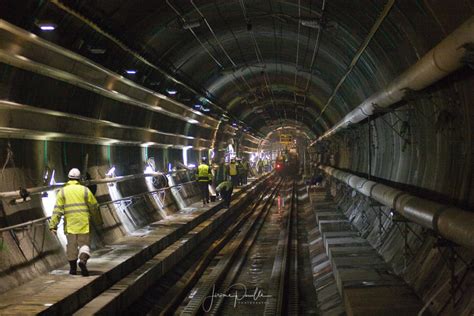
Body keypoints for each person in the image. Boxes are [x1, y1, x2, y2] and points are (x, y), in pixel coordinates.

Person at [49, 168, 101, 276]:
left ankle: (73, 269)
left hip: (70, 225)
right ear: (79, 179)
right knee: (84, 245)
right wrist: (98, 220)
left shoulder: (62, 192)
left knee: (71, 247)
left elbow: (57, 210)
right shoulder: (85, 190)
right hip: (83, 224)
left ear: (68, 178)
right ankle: (82, 260)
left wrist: (53, 225)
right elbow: (94, 206)